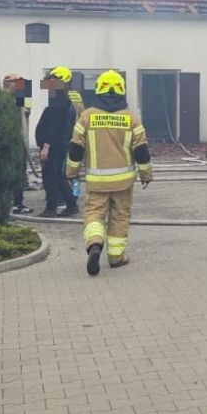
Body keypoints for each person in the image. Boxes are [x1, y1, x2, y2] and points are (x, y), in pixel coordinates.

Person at [67, 69, 152, 275]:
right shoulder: (131, 118)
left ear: (99, 90)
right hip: (123, 183)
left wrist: (71, 172)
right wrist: (146, 175)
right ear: (122, 92)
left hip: (97, 182)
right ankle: (116, 257)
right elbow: (141, 151)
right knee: (119, 217)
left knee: (94, 214)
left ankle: (95, 245)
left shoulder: (87, 117)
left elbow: (75, 148)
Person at [35, 66, 79, 217]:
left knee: (51, 176)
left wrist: (46, 146)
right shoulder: (61, 97)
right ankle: (71, 205)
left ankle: (52, 207)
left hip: (54, 145)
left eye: (53, 80)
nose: (49, 83)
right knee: (58, 175)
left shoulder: (57, 99)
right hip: (60, 144)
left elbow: (53, 125)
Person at [3, 73, 33, 215]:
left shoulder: (18, 100)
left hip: (18, 142)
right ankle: (14, 203)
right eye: (17, 83)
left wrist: (24, 84)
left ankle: (16, 202)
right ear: (10, 84)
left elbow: (28, 111)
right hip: (12, 142)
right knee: (14, 173)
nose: (21, 86)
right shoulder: (7, 100)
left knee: (20, 173)